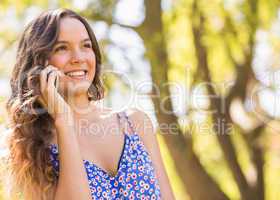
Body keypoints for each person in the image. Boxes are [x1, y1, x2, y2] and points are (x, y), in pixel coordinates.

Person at [2, 8, 174, 200]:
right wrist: (64, 122)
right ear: (39, 63)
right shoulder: (30, 149)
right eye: (62, 48)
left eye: (86, 45)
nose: (78, 57)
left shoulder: (135, 123)